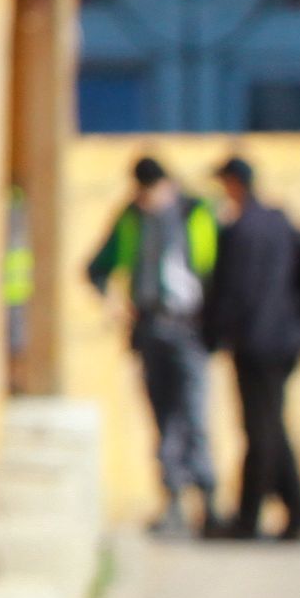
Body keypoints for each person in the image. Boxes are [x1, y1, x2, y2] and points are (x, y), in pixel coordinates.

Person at [82, 156, 217, 534]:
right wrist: (112, 303)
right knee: (163, 417)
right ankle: (173, 499)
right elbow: (97, 267)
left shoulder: (196, 214)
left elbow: (217, 269)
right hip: (150, 326)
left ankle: (207, 498)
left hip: (190, 327)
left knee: (194, 412)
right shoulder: (131, 218)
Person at [196, 155, 300, 542]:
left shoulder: (240, 230)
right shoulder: (279, 222)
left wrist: (212, 334)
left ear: (234, 184)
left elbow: (232, 292)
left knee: (261, 430)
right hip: (285, 339)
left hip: (256, 342)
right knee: (271, 426)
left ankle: (251, 517)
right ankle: (296, 510)